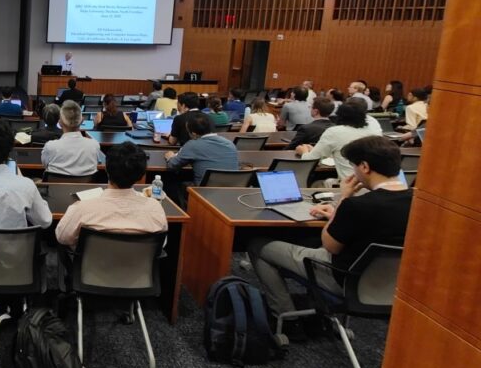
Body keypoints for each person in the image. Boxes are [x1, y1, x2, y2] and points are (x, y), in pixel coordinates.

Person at [248, 136, 412, 329]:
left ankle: (287, 319)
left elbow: (330, 245)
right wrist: (338, 215)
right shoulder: (421, 202)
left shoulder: (357, 205)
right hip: (395, 285)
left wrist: (343, 198)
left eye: (354, 166)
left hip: (345, 280)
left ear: (365, 167)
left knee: (257, 244)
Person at [55, 142, 167, 248]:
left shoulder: (82, 209)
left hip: (92, 267)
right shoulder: (155, 209)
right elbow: (161, 244)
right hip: (140, 267)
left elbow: (62, 237)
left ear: (106, 169)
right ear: (141, 175)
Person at [295, 103, 379, 180]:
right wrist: (315, 149)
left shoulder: (334, 132)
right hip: (373, 182)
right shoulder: (373, 130)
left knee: (317, 183)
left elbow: (311, 159)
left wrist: (304, 152)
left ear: (339, 116)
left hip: (350, 183)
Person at [163, 112, 239, 187]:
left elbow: (172, 165)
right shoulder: (230, 144)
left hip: (201, 194)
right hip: (231, 193)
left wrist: (170, 157)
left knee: (173, 184)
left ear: (194, 133)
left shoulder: (193, 145)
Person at [42, 101, 103, 177]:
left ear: (60, 123)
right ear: (82, 120)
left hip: (55, 188)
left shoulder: (50, 146)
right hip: (86, 188)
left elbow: (45, 166)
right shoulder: (94, 145)